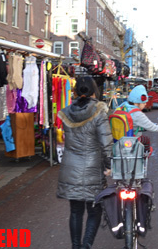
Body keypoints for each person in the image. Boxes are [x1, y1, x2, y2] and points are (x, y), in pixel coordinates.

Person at [57, 77, 113, 249]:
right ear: (94, 91)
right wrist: (109, 165)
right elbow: (106, 143)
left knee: (75, 211)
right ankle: (86, 245)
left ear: (75, 91)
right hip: (92, 167)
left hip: (70, 166)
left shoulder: (66, 112)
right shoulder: (99, 112)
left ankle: (76, 246)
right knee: (94, 211)